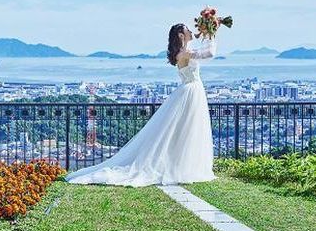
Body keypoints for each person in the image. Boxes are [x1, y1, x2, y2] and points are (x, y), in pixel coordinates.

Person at [66, 23, 216, 187]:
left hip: (190, 90)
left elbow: (201, 51)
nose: (191, 31)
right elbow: (209, 54)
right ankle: (183, 166)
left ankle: (182, 165)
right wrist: (211, 33)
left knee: (185, 129)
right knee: (187, 128)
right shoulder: (184, 53)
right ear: (181, 35)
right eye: (187, 30)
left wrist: (207, 31)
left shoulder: (183, 51)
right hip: (191, 91)